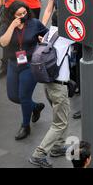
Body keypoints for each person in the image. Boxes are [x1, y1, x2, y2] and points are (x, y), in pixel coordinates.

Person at [0, 1, 48, 140]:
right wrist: (12, 27)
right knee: (13, 96)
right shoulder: (6, 25)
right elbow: (3, 42)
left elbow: (48, 35)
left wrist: (42, 38)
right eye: (19, 14)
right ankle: (35, 106)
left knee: (24, 96)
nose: (22, 16)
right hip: (14, 64)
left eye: (24, 13)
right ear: (12, 15)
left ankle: (25, 126)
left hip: (30, 64)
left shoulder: (34, 23)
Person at [28, 25, 74, 168]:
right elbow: (85, 35)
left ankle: (58, 146)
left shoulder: (50, 32)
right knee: (60, 123)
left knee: (62, 117)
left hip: (49, 84)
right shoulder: (65, 37)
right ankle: (39, 154)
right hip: (58, 87)